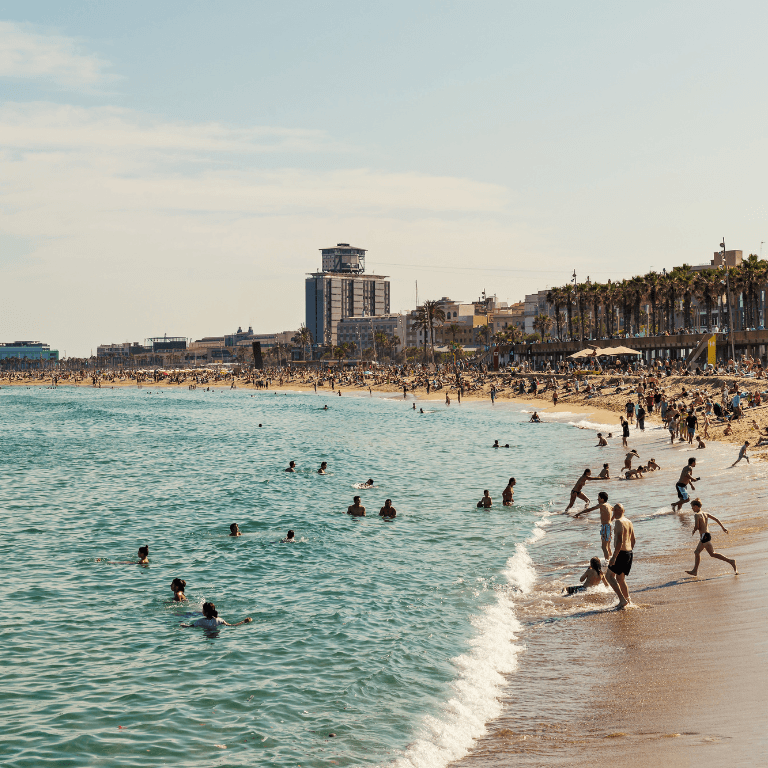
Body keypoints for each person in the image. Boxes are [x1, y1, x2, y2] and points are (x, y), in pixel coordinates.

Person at [685, 499, 737, 576]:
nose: (692, 509)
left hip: (704, 536)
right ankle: (695, 571)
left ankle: (731, 561)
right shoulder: (705, 513)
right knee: (697, 552)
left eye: (692, 507)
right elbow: (716, 519)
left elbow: (697, 526)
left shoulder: (697, 515)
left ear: (696, 506)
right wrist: (723, 528)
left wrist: (694, 530)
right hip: (707, 535)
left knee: (712, 553)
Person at [606, 504, 635, 609]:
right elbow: (633, 540)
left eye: (613, 511)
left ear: (616, 511)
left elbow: (619, 541)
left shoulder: (618, 522)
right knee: (620, 579)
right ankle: (628, 600)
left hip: (621, 553)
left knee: (609, 576)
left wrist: (614, 556)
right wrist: (628, 552)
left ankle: (622, 600)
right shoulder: (629, 521)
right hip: (629, 552)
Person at [574, 491, 613, 559]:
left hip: (605, 526)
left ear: (602, 499)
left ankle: (607, 562)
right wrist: (612, 519)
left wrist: (579, 513)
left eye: (598, 498)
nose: (597, 499)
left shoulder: (602, 505)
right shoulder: (609, 505)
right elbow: (616, 510)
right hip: (610, 526)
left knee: (604, 547)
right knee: (608, 546)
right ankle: (611, 560)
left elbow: (589, 509)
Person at [180, 602, 252, 629]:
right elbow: (232, 625)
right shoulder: (220, 620)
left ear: (205, 613)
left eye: (203, 610)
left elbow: (190, 626)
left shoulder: (200, 621)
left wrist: (183, 625)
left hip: (206, 636)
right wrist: (243, 621)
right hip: (216, 635)